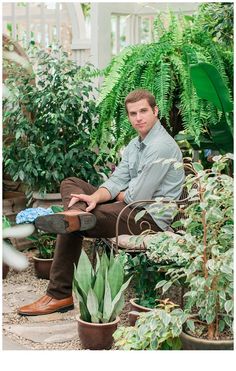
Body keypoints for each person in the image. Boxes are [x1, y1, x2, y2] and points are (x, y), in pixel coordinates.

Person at [18, 89, 185, 316]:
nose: (138, 118)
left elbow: (135, 197)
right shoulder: (136, 145)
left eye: (144, 111)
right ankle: (75, 214)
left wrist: (114, 194)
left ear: (155, 111)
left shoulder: (160, 146)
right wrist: (94, 198)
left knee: (76, 225)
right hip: (127, 209)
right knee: (71, 183)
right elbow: (117, 179)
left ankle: (59, 295)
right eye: (133, 113)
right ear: (128, 117)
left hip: (147, 218)